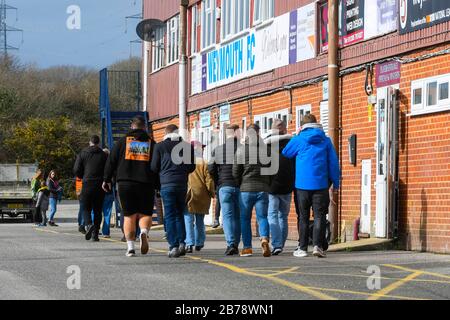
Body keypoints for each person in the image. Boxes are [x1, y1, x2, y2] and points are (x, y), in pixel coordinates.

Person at [282, 114, 340, 258]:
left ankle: (302, 248)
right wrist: (336, 184)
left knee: (303, 216)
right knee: (320, 215)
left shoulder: (299, 138)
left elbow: (286, 152)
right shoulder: (326, 141)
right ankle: (317, 246)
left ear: (302, 126)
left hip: (302, 185)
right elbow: (333, 164)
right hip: (321, 185)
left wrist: (297, 135)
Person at [104, 115, 158, 257]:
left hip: (125, 183)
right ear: (145, 128)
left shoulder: (122, 142)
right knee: (145, 213)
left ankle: (130, 248)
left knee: (129, 215)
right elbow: (156, 166)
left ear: (132, 127)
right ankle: (144, 233)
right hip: (146, 183)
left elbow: (111, 161)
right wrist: (158, 185)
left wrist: (106, 179)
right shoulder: (152, 143)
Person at [151, 124, 195, 258]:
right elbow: (192, 167)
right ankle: (182, 242)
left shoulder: (159, 146)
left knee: (169, 215)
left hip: (166, 184)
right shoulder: (187, 146)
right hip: (182, 184)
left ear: (166, 133)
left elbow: (153, 167)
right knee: (180, 213)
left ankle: (173, 246)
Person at [232, 124, 272, 258]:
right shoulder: (266, 150)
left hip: (246, 190)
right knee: (262, 217)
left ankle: (247, 248)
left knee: (245, 219)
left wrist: (240, 184)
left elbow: (236, 171)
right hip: (263, 189)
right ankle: (265, 239)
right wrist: (268, 184)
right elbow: (272, 171)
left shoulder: (241, 150)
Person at [208, 124, 242, 255]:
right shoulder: (243, 149)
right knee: (238, 216)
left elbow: (210, 168)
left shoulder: (217, 150)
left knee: (227, 217)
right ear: (236, 133)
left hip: (224, 185)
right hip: (240, 187)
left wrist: (218, 182)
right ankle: (237, 244)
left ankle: (230, 243)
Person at [264, 119, 295, 255]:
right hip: (288, 185)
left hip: (272, 186)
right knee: (283, 216)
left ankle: (276, 244)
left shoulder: (266, 146)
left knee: (272, 215)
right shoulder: (292, 145)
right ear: (285, 130)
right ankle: (280, 245)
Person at [74, 135, 108, 242]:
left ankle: (88, 225)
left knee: (85, 207)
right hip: (100, 184)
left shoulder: (83, 153)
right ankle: (95, 234)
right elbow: (109, 169)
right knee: (98, 210)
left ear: (90, 142)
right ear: (99, 143)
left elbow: (76, 169)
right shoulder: (104, 155)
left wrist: (81, 176)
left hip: (87, 183)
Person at [184, 141, 215, 253]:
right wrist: (212, 192)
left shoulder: (186, 162)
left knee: (188, 219)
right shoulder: (204, 163)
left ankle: (189, 243)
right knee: (200, 220)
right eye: (202, 148)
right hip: (202, 195)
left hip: (190, 193)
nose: (203, 150)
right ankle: (199, 242)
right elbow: (209, 180)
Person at [100, 148, 114, 238]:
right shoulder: (112, 165)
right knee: (107, 213)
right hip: (109, 191)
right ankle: (106, 232)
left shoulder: (97, 164)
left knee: (96, 211)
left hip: (99, 191)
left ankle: (95, 229)